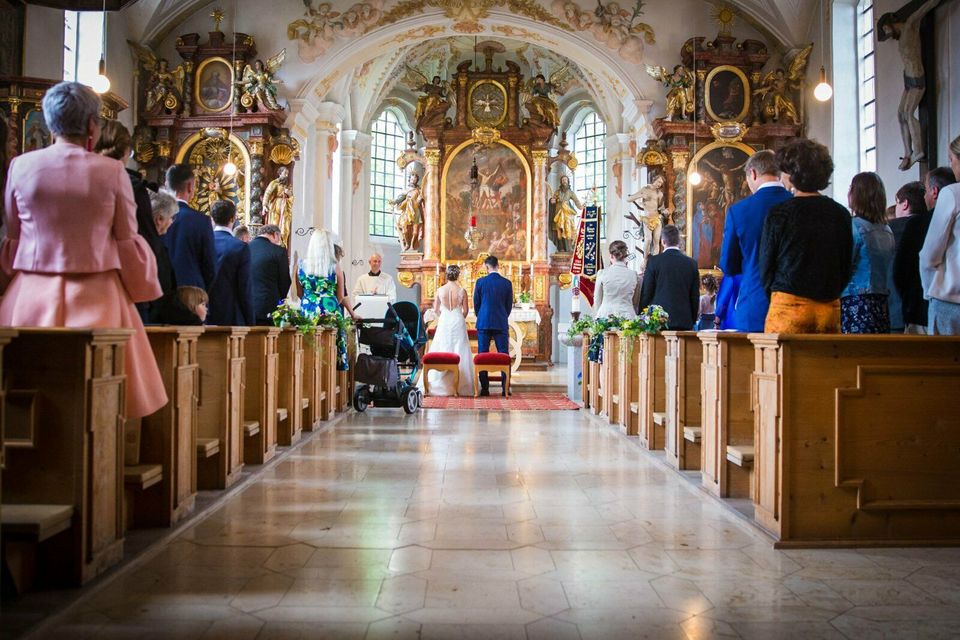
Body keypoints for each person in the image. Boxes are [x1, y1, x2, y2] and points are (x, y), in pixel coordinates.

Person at [0, 82, 167, 418]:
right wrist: (141, 287)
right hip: (98, 294)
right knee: (101, 397)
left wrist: (7, 286)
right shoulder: (111, 171)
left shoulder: (20, 166)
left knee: (23, 391)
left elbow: (13, 235)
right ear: (93, 125)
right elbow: (125, 238)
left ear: (49, 123)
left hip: (30, 294)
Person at [759, 139, 853, 333]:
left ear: (793, 174)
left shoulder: (780, 213)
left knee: (781, 363)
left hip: (788, 308)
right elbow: (845, 266)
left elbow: (767, 266)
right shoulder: (840, 213)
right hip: (829, 309)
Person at [718, 149, 792, 331]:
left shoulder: (739, 210)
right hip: (795, 304)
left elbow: (728, 265)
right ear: (779, 172)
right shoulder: (797, 204)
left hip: (754, 303)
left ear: (752, 173)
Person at [896, 169, 955, 333]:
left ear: (934, 192)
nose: (924, 197)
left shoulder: (918, 224)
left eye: (927, 191)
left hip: (921, 309)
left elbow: (902, 270)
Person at [841, 172, 896, 334]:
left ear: (857, 194)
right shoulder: (887, 229)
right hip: (880, 300)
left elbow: (844, 264)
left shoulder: (855, 227)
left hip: (856, 299)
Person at [143, 189, 203, 325]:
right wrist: (192, 318)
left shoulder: (147, 242)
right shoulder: (155, 248)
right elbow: (162, 294)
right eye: (171, 218)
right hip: (152, 320)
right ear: (159, 219)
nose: (171, 223)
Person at [919, 134, 960, 335]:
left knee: (943, 365)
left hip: (950, 300)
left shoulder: (952, 193)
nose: (951, 167)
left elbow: (929, 255)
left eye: (951, 160)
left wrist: (931, 291)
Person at [299, 229, 355, 370]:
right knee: (331, 349)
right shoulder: (335, 267)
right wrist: (327, 300)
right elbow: (341, 296)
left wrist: (311, 300)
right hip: (330, 312)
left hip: (308, 311)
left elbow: (300, 293)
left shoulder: (301, 266)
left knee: (308, 348)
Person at [164, 163, 216, 306]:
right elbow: (209, 266)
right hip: (191, 295)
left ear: (166, 184)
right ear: (190, 187)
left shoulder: (154, 216)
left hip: (158, 293)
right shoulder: (200, 221)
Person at [420, 265, 475, 396]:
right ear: (458, 275)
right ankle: (462, 385)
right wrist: (459, 317)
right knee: (459, 347)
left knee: (442, 346)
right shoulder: (462, 290)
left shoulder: (440, 290)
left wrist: (444, 317)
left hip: (444, 320)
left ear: (447, 275)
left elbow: (437, 309)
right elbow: (466, 311)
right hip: (457, 319)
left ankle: (436, 383)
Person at [637, 225, 700, 330]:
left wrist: (641, 317)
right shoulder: (691, 263)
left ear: (662, 242)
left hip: (658, 321)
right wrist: (692, 319)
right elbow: (694, 296)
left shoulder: (654, 262)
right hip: (684, 320)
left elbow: (647, 293)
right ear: (679, 242)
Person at [473, 255, 514, 396]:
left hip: (483, 322)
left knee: (482, 354)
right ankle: (505, 388)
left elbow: (476, 304)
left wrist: (482, 316)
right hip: (501, 321)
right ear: (498, 265)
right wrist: (502, 315)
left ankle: (485, 388)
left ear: (486, 266)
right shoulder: (507, 283)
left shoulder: (480, 282)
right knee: (504, 354)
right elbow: (509, 306)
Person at [207, 200, 253, 326]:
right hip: (230, 316)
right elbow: (244, 287)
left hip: (203, 313)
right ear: (233, 218)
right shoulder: (240, 247)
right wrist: (250, 321)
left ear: (212, 218)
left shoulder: (203, 243)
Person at [249, 224, 291, 326]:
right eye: (279, 238)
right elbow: (284, 281)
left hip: (246, 305)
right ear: (275, 234)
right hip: (268, 306)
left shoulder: (245, 247)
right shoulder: (278, 251)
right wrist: (280, 300)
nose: (278, 242)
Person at [593, 240, 640, 319]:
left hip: (606, 316)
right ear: (625, 256)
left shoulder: (602, 273)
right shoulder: (634, 274)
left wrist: (598, 314)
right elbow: (635, 300)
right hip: (627, 316)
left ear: (611, 256)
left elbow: (597, 298)